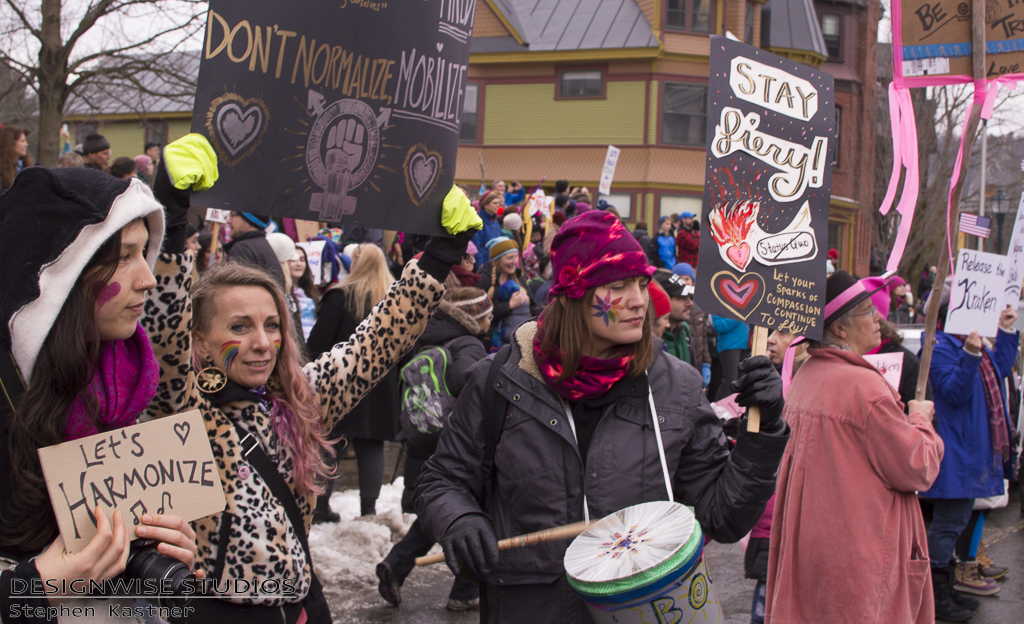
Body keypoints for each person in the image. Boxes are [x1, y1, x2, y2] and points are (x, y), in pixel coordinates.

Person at [144, 138, 481, 621]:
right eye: (239, 327)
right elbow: (162, 331)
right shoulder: (181, 407)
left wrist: (437, 258)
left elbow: (376, 341)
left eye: (272, 325)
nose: (262, 342)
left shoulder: (298, 397)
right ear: (197, 339)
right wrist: (171, 217)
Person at [416, 210, 789, 624]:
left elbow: (724, 516)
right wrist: (459, 520)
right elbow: (442, 479)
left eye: (642, 283)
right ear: (574, 294)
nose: (638, 300)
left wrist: (765, 430)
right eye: (618, 285)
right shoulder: (499, 381)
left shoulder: (676, 387)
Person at [0, 166, 204, 622]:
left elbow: (103, 580)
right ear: (60, 278)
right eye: (124, 256)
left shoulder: (119, 385)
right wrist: (35, 589)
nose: (147, 279)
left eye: (143, 253)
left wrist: (152, 555)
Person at [765, 270, 944, 624]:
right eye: (866, 312)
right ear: (840, 329)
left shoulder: (806, 377)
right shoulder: (865, 388)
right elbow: (916, 467)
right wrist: (921, 421)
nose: (878, 318)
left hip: (816, 553)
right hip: (859, 557)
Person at [376, 287, 491, 612]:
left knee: (437, 512)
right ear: (475, 316)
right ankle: (465, 591)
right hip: (454, 445)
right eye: (487, 313)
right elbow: (468, 388)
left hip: (423, 442)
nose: (491, 318)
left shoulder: (428, 339)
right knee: (472, 512)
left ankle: (396, 564)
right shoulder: (468, 344)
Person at [921, 293, 1018, 619]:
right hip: (956, 452)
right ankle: (934, 597)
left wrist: (1005, 332)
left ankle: (946, 590)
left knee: (956, 522)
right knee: (948, 525)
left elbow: (1002, 367)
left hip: (973, 449)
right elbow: (953, 391)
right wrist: (971, 354)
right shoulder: (939, 345)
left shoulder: (966, 342)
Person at [307, 244, 399, 520]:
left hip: (341, 380)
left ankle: (321, 506)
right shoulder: (396, 299)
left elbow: (318, 343)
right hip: (382, 385)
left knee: (331, 442)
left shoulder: (339, 295)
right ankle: (368, 509)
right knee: (372, 445)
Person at [478, 236, 532, 347]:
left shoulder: (518, 277)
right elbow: (479, 314)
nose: (514, 262)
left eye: (515, 257)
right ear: (497, 260)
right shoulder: (484, 280)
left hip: (521, 340)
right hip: (494, 343)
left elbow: (534, 307)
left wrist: (527, 300)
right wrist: (509, 305)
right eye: (509, 258)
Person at [224, 211, 287, 288]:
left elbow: (237, 290)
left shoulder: (242, 248)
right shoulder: (265, 246)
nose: (229, 221)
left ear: (248, 219)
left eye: (233, 215)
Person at [653, 269, 693, 364]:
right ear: (664, 300)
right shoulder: (653, 336)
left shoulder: (684, 330)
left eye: (689, 297)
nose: (690, 303)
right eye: (682, 298)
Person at [713, 314, 749, 401]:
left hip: (744, 346)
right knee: (730, 380)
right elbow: (720, 326)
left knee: (742, 381)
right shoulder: (719, 305)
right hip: (729, 347)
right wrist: (739, 315)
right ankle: (718, 408)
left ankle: (736, 409)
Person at [289, 246, 321, 341]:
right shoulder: (283, 292)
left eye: (302, 260)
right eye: (294, 260)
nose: (299, 264)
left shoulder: (312, 291)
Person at [471, 191, 505, 266]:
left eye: (498, 203)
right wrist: (480, 267)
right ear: (486, 205)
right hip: (484, 265)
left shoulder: (495, 222)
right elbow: (477, 247)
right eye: (495, 203)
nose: (497, 206)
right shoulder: (478, 222)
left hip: (495, 263)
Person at [0, 124, 33, 191]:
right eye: (22, 141)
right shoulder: (3, 172)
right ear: (10, 143)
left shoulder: (26, 167)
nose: (26, 144)